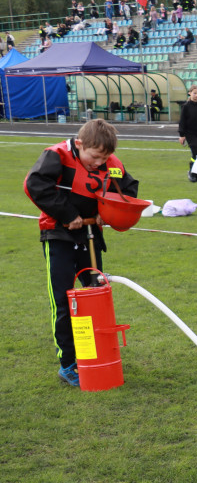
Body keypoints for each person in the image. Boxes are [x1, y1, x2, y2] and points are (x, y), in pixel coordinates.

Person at [22, 120, 141, 387]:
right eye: (94, 157)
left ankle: (96, 354)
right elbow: (35, 185)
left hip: (90, 237)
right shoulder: (57, 155)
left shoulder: (113, 164)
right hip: (58, 235)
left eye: (104, 158)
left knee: (95, 296)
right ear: (79, 145)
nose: (98, 163)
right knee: (64, 301)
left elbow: (128, 191)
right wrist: (68, 214)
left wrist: (105, 211)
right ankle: (68, 363)